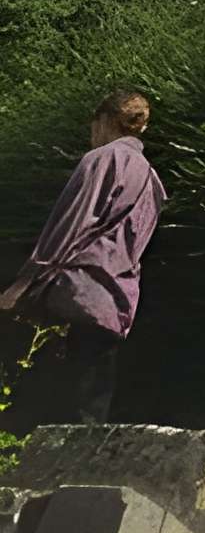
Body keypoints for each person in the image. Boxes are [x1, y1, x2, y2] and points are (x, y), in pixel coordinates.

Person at [1, 89, 164, 425]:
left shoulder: (102, 159)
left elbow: (69, 225)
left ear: (103, 121)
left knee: (61, 396)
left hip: (79, 289)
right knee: (92, 399)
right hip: (118, 299)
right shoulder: (151, 178)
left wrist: (26, 281)